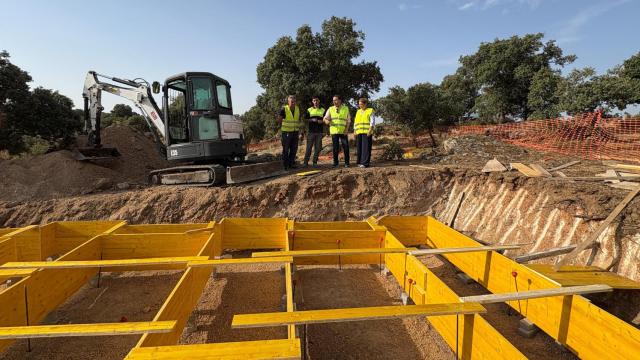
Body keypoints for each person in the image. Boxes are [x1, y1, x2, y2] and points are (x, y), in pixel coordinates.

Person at [323, 95, 350, 167]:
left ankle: (347, 163)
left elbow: (348, 121)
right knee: (335, 148)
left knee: (346, 147)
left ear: (340, 100)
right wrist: (327, 122)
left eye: (336, 100)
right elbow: (325, 118)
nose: (334, 101)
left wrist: (346, 130)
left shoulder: (346, 108)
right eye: (333, 100)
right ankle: (336, 163)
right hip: (334, 131)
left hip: (343, 131)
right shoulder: (330, 109)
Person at [276, 95, 301, 169]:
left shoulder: (297, 109)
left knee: (294, 149)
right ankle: (285, 165)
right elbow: (279, 120)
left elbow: (297, 120)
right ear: (288, 102)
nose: (293, 103)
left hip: (295, 132)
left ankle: (291, 164)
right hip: (286, 132)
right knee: (286, 149)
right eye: (291, 102)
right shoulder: (284, 109)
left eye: (294, 101)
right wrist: (281, 128)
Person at [303, 96, 325, 167]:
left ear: (319, 101)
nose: (315, 102)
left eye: (317, 100)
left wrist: (321, 121)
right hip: (311, 132)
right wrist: (311, 120)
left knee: (317, 148)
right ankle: (305, 163)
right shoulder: (309, 110)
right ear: (312, 102)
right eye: (314, 101)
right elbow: (305, 119)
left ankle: (314, 162)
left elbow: (326, 120)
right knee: (309, 148)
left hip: (319, 132)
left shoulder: (323, 110)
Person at [354, 98, 375, 168]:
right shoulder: (358, 111)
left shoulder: (370, 110)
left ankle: (365, 163)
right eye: (359, 104)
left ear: (365, 104)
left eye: (361, 104)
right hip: (359, 132)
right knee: (359, 147)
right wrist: (355, 130)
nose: (360, 106)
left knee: (366, 148)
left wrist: (370, 129)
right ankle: (359, 162)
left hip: (367, 132)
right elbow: (356, 121)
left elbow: (372, 121)